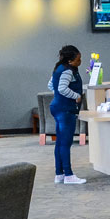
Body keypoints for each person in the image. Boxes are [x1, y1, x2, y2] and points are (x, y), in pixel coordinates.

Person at [48, 44, 86, 184]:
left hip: (57, 107)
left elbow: (51, 85)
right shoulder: (68, 71)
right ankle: (69, 175)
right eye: (78, 59)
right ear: (70, 60)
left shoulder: (59, 68)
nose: (80, 61)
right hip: (65, 109)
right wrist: (75, 95)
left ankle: (59, 174)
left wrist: (58, 95)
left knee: (59, 142)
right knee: (65, 143)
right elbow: (62, 88)